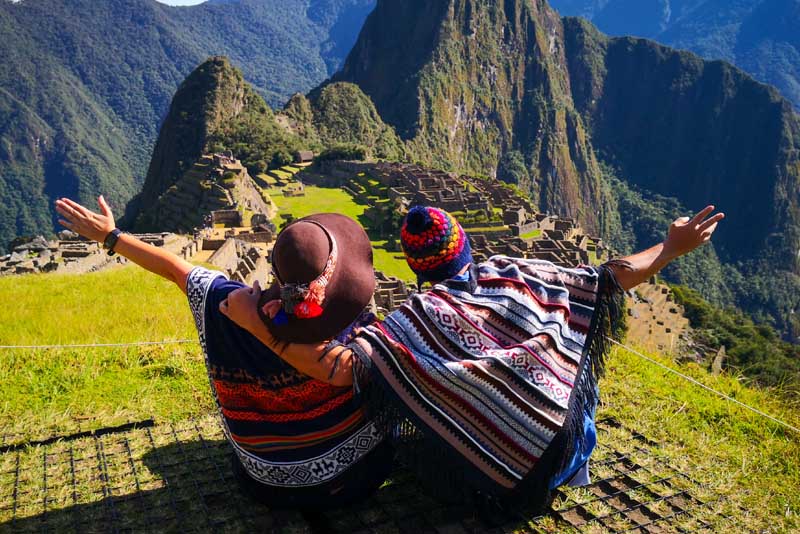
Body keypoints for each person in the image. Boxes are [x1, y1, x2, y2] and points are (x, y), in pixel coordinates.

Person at [220, 203, 724, 510]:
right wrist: (673, 246)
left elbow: (339, 368)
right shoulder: (519, 272)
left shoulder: (415, 320)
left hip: (500, 487)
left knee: (406, 412)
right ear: (465, 247)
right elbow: (610, 276)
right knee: (570, 369)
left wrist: (260, 327)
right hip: (559, 454)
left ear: (416, 268)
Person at [54, 197, 392, 509]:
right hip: (358, 475)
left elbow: (174, 269)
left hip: (268, 483)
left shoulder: (227, 306)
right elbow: (348, 370)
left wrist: (110, 236)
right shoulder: (355, 326)